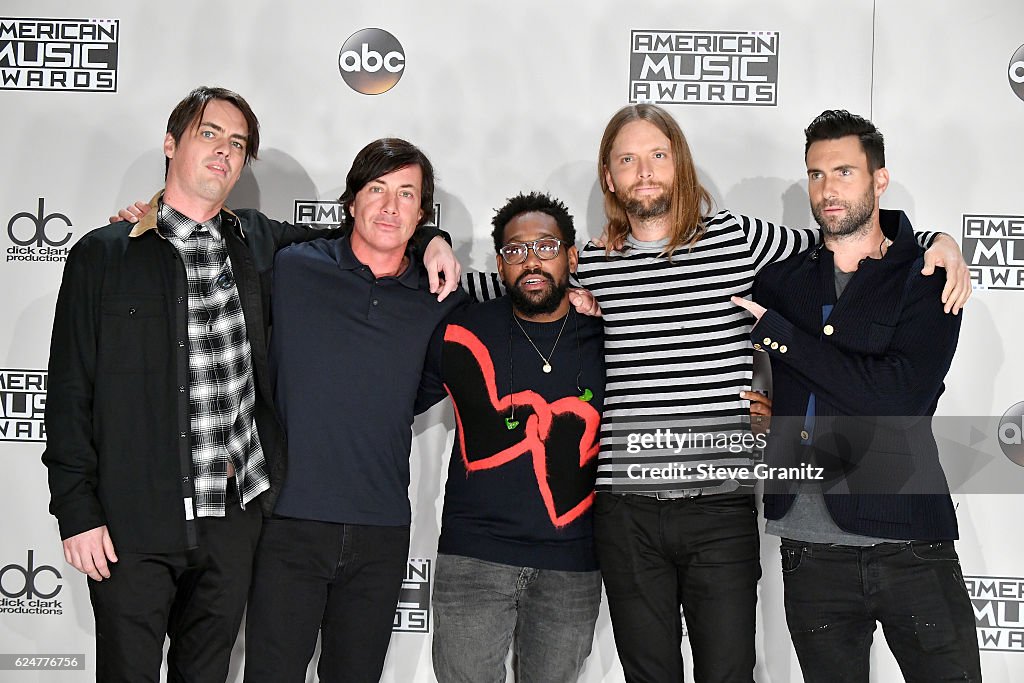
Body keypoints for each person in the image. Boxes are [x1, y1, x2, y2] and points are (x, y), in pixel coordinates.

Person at [45, 86, 456, 683]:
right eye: (208, 134)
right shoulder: (105, 255)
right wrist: (77, 512)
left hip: (234, 520)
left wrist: (430, 239)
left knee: (207, 672)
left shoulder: (261, 244)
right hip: (136, 518)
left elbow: (374, 231)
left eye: (237, 143)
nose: (223, 152)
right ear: (171, 143)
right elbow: (68, 392)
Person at [567, 104, 972, 682]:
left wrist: (938, 239)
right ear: (609, 177)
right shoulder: (593, 264)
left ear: (680, 166)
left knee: (730, 671)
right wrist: (430, 243)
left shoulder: (739, 241)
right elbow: (512, 283)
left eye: (658, 155)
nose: (645, 171)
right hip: (628, 507)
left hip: (726, 504)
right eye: (627, 160)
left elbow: (851, 234)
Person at [732, 109, 982, 683]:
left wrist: (786, 340)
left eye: (844, 172)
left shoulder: (926, 275)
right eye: (816, 175)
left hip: (909, 540)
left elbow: (898, 401)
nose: (827, 190)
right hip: (808, 547)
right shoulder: (781, 281)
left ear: (880, 179)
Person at [241, 138, 469, 683]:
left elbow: (524, 307)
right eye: (377, 189)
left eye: (406, 195)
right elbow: (207, 231)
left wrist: (581, 297)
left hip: (380, 529)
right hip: (289, 520)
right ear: (351, 202)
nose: (391, 207)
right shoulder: (294, 268)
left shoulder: (441, 296)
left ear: (421, 214)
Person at [420, 192, 604, 682]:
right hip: (473, 557)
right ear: (499, 266)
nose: (532, 261)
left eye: (546, 246)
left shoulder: (609, 335)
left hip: (573, 562)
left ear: (572, 255)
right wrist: (431, 238)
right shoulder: (461, 329)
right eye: (515, 250)